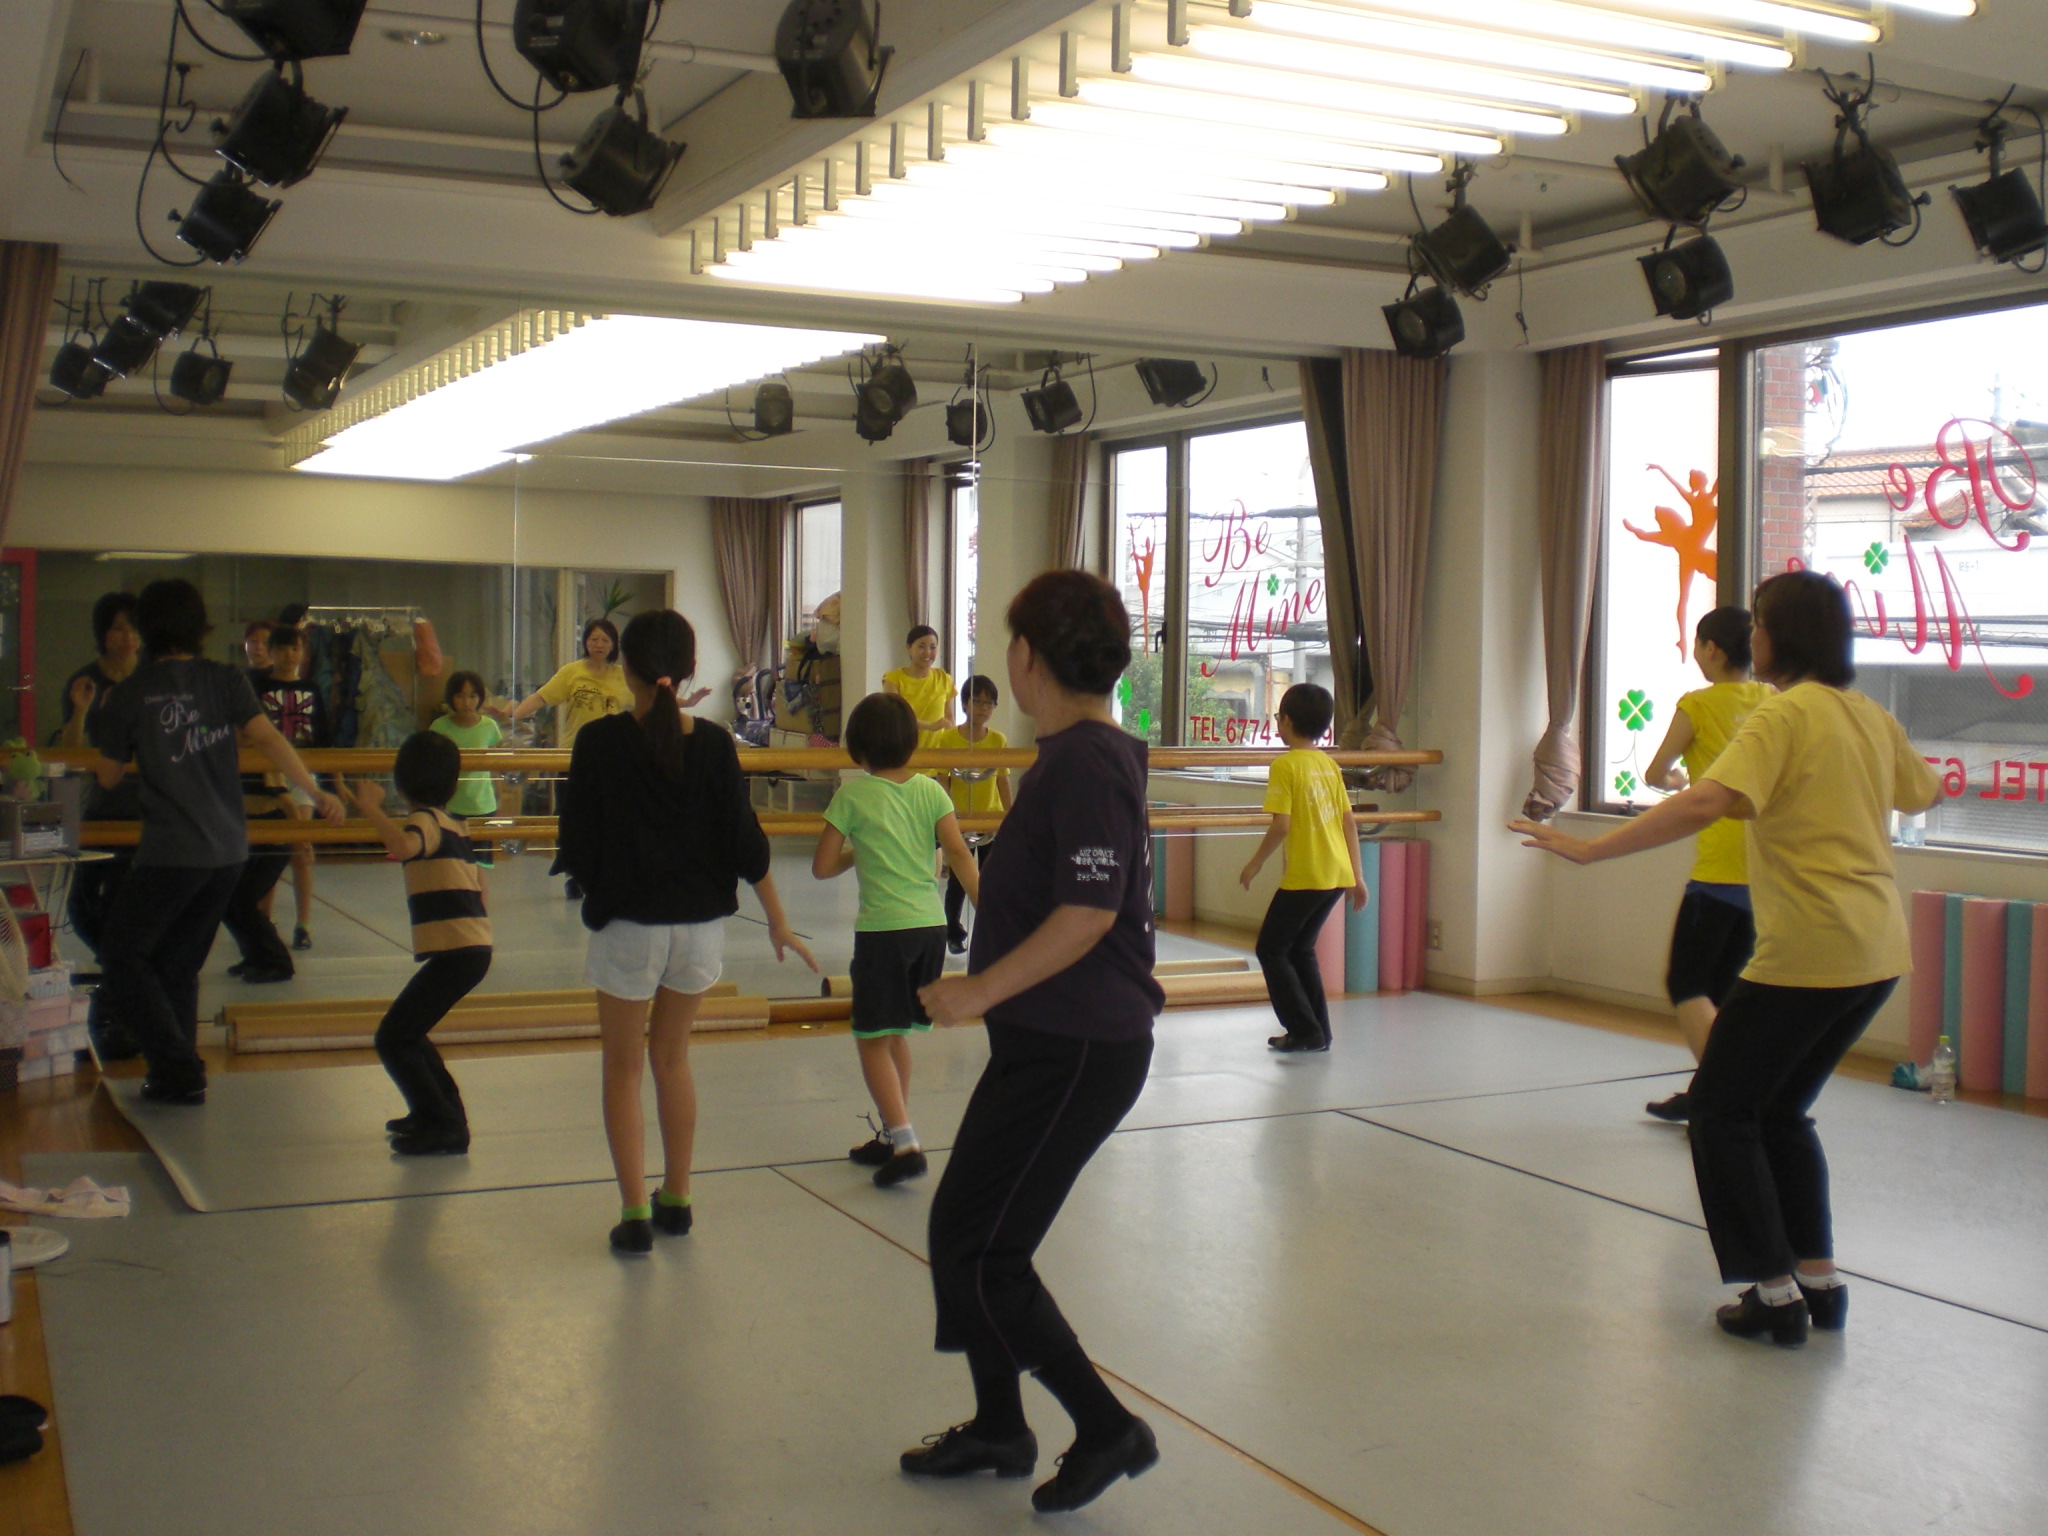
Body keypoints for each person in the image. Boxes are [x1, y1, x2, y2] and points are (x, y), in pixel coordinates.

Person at [1512, 571, 1941, 1348]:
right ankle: (1819, 1283)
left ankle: (1773, 1294)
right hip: (1877, 950)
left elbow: (1707, 800)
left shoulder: (1784, 715)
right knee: (1779, 1111)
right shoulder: (1869, 715)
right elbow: (1925, 792)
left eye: (1762, 625)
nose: (1755, 637)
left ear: (1783, 637)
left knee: (1718, 1111)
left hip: (1810, 949)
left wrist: (1590, 849)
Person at [910, 571, 1163, 1514]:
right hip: (1049, 1043)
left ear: (1026, 659)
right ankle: (999, 1426)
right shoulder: (1069, 757)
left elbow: (1089, 913)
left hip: (1079, 1047)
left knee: (985, 1251)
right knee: (964, 1234)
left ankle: (1106, 1428)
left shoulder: (1087, 762)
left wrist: (978, 990)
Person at [554, 608, 817, 1254]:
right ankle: (677, 1198)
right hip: (700, 930)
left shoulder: (600, 742)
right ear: (691, 669)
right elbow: (745, 840)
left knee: (623, 1069)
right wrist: (778, 919)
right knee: (672, 1059)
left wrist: (601, 889)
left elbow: (577, 841)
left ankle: (634, 1214)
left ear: (626, 668)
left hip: (628, 927)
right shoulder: (717, 745)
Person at [93, 579, 343, 1105]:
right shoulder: (224, 679)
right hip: (228, 850)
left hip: (170, 851)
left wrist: (110, 726)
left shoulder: (131, 693)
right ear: (199, 628)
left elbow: (109, 776)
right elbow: (270, 739)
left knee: (122, 955)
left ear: (145, 630)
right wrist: (315, 790)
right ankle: (176, 1074)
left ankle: (178, 1066)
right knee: (179, 964)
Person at [812, 692, 980, 1188]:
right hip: (929, 928)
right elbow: (959, 854)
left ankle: (905, 1143)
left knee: (870, 1039)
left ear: (859, 748)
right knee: (896, 1033)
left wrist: (857, 851)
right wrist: (990, 908)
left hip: (883, 933)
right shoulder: (932, 791)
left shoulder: (852, 796)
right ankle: (892, 1134)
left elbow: (821, 866)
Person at [1639, 608, 1773, 1122]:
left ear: (1712, 650)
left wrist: (1679, 784)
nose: (1696, 655)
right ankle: (1709, 1093)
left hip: (1717, 870)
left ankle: (1726, 1097)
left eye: (1697, 645)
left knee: (1687, 982)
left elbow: (1657, 771)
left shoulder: (1697, 705)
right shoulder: (1770, 700)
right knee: (1724, 990)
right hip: (1763, 868)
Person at [342, 734, 492, 1157]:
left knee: (394, 1037)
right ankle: (438, 1114)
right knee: (410, 1034)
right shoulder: (454, 823)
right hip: (471, 948)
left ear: (402, 782)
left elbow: (403, 847)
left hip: (458, 952)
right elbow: (481, 883)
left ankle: (445, 1125)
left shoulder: (425, 821)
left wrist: (370, 808)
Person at [1236, 683, 1370, 1054]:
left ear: (1287, 721)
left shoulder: (1285, 766)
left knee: (1271, 949)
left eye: (1278, 717)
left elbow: (1282, 825)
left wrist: (1254, 863)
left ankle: (1304, 1029)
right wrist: (1357, 877)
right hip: (1336, 874)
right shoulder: (1328, 765)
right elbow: (1348, 822)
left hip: (1307, 874)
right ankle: (1317, 1031)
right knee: (1300, 950)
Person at [60, 593, 143, 1059]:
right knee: (82, 905)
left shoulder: (151, 681)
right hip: (100, 810)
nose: (127, 637)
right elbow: (71, 752)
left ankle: (117, 998)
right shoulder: (86, 681)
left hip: (145, 812)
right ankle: (119, 971)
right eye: (117, 627)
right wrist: (81, 710)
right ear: (103, 634)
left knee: (123, 909)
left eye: (133, 627)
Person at [498, 619, 632, 899]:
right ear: (586, 642)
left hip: (611, 760)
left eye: (605, 640)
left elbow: (649, 698)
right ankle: (574, 874)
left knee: (607, 818)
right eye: (594, 639)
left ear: (613, 645)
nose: (599, 645)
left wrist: (684, 703)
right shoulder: (572, 672)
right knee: (570, 817)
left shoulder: (623, 676)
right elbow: (541, 698)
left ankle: (603, 872)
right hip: (572, 756)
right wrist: (513, 717)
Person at [224, 624, 324, 982]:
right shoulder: (236, 754)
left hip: (276, 835)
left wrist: (300, 835)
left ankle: (281, 951)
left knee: (240, 900)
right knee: (237, 900)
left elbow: (283, 796)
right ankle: (256, 954)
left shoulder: (265, 757)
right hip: (251, 836)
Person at [256, 624, 329, 955]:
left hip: (303, 773)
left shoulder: (311, 689)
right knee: (271, 852)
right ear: (271, 652)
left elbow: (324, 735)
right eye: (283, 648)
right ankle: (264, 922)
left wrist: (334, 780)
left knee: (300, 848)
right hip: (269, 774)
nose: (290, 654)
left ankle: (303, 924)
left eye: (296, 648)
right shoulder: (258, 686)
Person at [931, 674, 1013, 955]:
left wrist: (1008, 817)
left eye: (989, 704)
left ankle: (990, 932)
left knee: (991, 880)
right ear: (965, 703)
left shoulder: (998, 740)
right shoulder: (948, 739)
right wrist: (948, 816)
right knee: (958, 881)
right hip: (958, 821)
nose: (983, 709)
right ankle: (953, 932)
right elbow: (942, 780)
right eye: (977, 702)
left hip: (989, 819)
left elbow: (1002, 780)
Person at [430, 671, 503, 870]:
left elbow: (494, 767)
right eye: (460, 696)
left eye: (472, 696)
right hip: (450, 805)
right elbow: (434, 768)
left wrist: (498, 798)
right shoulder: (440, 727)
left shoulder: (489, 727)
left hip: (482, 805)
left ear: (480, 698)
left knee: (479, 865)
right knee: (452, 864)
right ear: (451, 697)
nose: (466, 702)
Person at [881, 624, 957, 764]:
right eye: (921, 646)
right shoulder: (893, 679)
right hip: (903, 759)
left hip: (937, 760)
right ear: (909, 648)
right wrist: (931, 726)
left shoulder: (944, 678)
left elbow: (949, 718)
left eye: (933, 647)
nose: (927, 653)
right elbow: (897, 719)